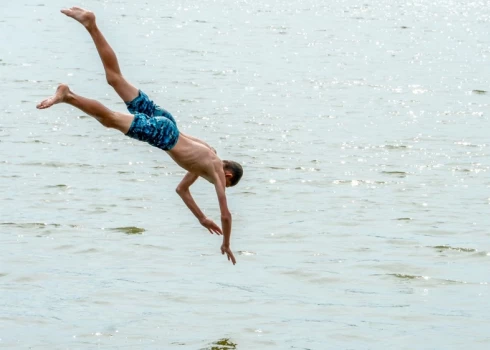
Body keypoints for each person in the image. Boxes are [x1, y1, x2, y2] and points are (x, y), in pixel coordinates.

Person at [36, 7, 243, 265]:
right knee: (109, 120)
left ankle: (90, 24)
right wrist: (226, 243)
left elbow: (181, 190)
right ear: (228, 175)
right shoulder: (215, 171)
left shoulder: (207, 157)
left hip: (169, 122)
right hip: (163, 134)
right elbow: (226, 215)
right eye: (223, 184)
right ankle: (68, 96)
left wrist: (201, 219)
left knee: (115, 79)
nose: (218, 186)